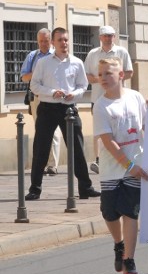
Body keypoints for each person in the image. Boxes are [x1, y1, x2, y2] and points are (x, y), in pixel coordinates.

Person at [26, 27, 100, 201]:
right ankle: (35, 189)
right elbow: (34, 86)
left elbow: (83, 86)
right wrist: (52, 92)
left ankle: (85, 187)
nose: (64, 43)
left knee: (77, 149)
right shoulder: (43, 63)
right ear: (53, 42)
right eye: (59, 40)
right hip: (47, 108)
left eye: (66, 40)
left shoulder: (76, 62)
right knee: (41, 150)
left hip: (69, 109)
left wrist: (73, 94)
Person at [92, 58, 148, 274]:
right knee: (110, 212)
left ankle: (130, 259)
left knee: (131, 212)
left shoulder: (135, 97)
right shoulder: (101, 105)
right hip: (111, 167)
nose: (103, 78)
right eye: (100, 74)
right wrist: (128, 164)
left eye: (108, 73)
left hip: (136, 165)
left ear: (121, 75)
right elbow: (108, 141)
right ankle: (118, 244)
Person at [84, 25, 134, 174]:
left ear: (114, 37)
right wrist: (100, 80)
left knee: (120, 127)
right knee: (99, 130)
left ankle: (122, 156)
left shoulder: (122, 52)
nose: (108, 38)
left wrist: (114, 79)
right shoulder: (93, 54)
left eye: (110, 35)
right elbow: (86, 75)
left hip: (117, 98)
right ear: (100, 37)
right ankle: (99, 159)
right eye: (105, 36)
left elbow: (129, 72)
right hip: (98, 98)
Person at [20, 28, 61, 176]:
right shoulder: (33, 56)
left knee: (55, 131)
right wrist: (37, 72)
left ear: (51, 41)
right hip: (37, 98)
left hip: (54, 97)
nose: (43, 44)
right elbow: (23, 77)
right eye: (41, 41)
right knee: (41, 130)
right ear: (38, 41)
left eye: (46, 41)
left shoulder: (57, 56)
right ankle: (41, 164)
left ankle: (52, 165)